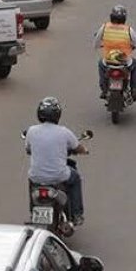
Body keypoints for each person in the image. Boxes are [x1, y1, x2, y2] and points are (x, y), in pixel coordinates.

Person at [25, 97, 88, 226]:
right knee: (75, 178)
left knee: (31, 179)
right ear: (57, 115)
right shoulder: (64, 132)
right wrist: (84, 150)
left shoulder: (31, 131)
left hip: (37, 177)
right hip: (59, 176)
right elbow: (78, 147)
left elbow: (28, 149)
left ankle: (33, 211)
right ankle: (76, 214)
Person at [93, 5, 136, 100]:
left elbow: (97, 41)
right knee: (135, 64)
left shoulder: (105, 27)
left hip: (108, 61)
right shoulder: (128, 29)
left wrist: (97, 46)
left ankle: (104, 88)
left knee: (101, 64)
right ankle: (134, 89)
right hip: (124, 62)